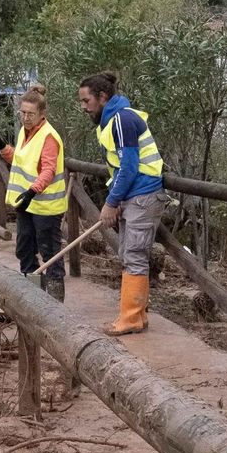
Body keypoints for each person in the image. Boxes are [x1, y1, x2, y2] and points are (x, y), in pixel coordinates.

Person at [76, 72, 164, 335]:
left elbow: (128, 167)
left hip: (143, 194)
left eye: (86, 100)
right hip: (134, 194)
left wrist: (111, 202)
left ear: (102, 97)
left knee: (135, 255)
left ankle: (132, 319)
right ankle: (136, 315)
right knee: (129, 254)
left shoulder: (121, 120)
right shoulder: (110, 120)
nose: (83, 106)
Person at [0, 85, 67, 301]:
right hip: (26, 204)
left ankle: (55, 305)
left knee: (50, 255)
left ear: (41, 114)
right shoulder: (25, 132)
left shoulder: (49, 137)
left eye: (30, 114)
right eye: (22, 113)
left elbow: (48, 169)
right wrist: (3, 148)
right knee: (25, 251)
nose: (25, 118)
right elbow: (21, 159)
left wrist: (32, 191)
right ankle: (34, 299)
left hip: (45, 206)